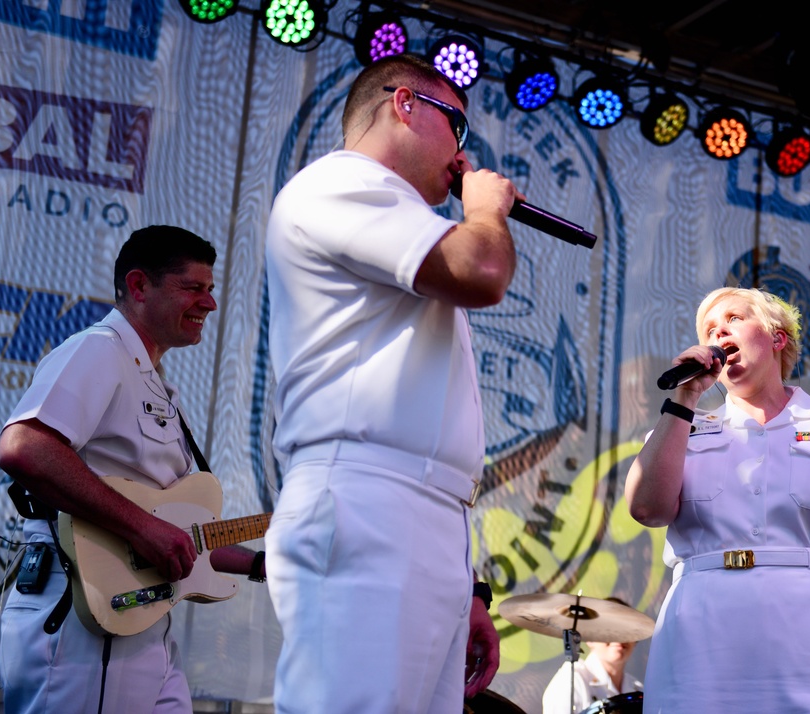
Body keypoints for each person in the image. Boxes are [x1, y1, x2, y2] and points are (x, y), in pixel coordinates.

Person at [263, 53, 518, 713]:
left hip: (425, 513)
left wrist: (462, 589)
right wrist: (485, 209)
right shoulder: (344, 183)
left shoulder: (400, 216)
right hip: (367, 499)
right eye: (457, 128)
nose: (462, 153)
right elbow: (482, 271)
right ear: (405, 104)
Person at [0, 225, 266, 714]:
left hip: (141, 627)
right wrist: (143, 527)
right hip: (84, 621)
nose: (210, 304)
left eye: (211, 289)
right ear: (139, 286)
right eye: (194, 288)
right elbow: (25, 447)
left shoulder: (151, 379)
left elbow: (179, 533)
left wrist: (262, 565)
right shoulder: (99, 350)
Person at [624, 286, 810, 714]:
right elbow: (646, 509)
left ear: (777, 337)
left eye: (733, 320)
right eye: (709, 328)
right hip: (700, 654)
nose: (718, 332)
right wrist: (684, 397)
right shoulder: (678, 428)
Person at [541, 598, 643, 714]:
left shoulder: (638, 689)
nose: (619, 637)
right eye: (610, 629)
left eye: (627, 630)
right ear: (589, 638)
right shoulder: (570, 682)